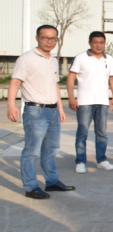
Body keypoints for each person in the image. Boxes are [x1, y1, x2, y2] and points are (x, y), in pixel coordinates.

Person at [6, 25, 74, 199]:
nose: (49, 41)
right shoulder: (26, 59)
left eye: (53, 38)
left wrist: (60, 108)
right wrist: (11, 105)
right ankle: (30, 187)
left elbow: (54, 85)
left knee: (51, 149)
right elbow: (15, 82)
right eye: (45, 37)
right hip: (35, 111)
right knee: (32, 151)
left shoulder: (53, 60)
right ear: (37, 38)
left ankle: (51, 181)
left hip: (52, 111)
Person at [67, 31, 113, 173]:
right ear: (90, 43)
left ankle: (102, 160)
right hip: (84, 102)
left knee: (101, 133)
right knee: (82, 133)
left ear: (105, 43)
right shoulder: (81, 58)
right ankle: (80, 161)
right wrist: (71, 97)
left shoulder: (109, 59)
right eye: (95, 42)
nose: (98, 45)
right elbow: (71, 78)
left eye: (101, 42)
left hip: (102, 102)